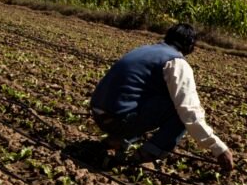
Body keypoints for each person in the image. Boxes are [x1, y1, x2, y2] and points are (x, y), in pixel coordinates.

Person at [90, 23, 234, 172]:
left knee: (157, 96)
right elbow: (189, 111)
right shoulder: (176, 62)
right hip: (118, 120)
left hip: (99, 113)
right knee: (179, 112)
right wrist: (218, 148)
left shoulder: (144, 49)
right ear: (190, 45)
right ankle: (142, 156)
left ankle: (117, 140)